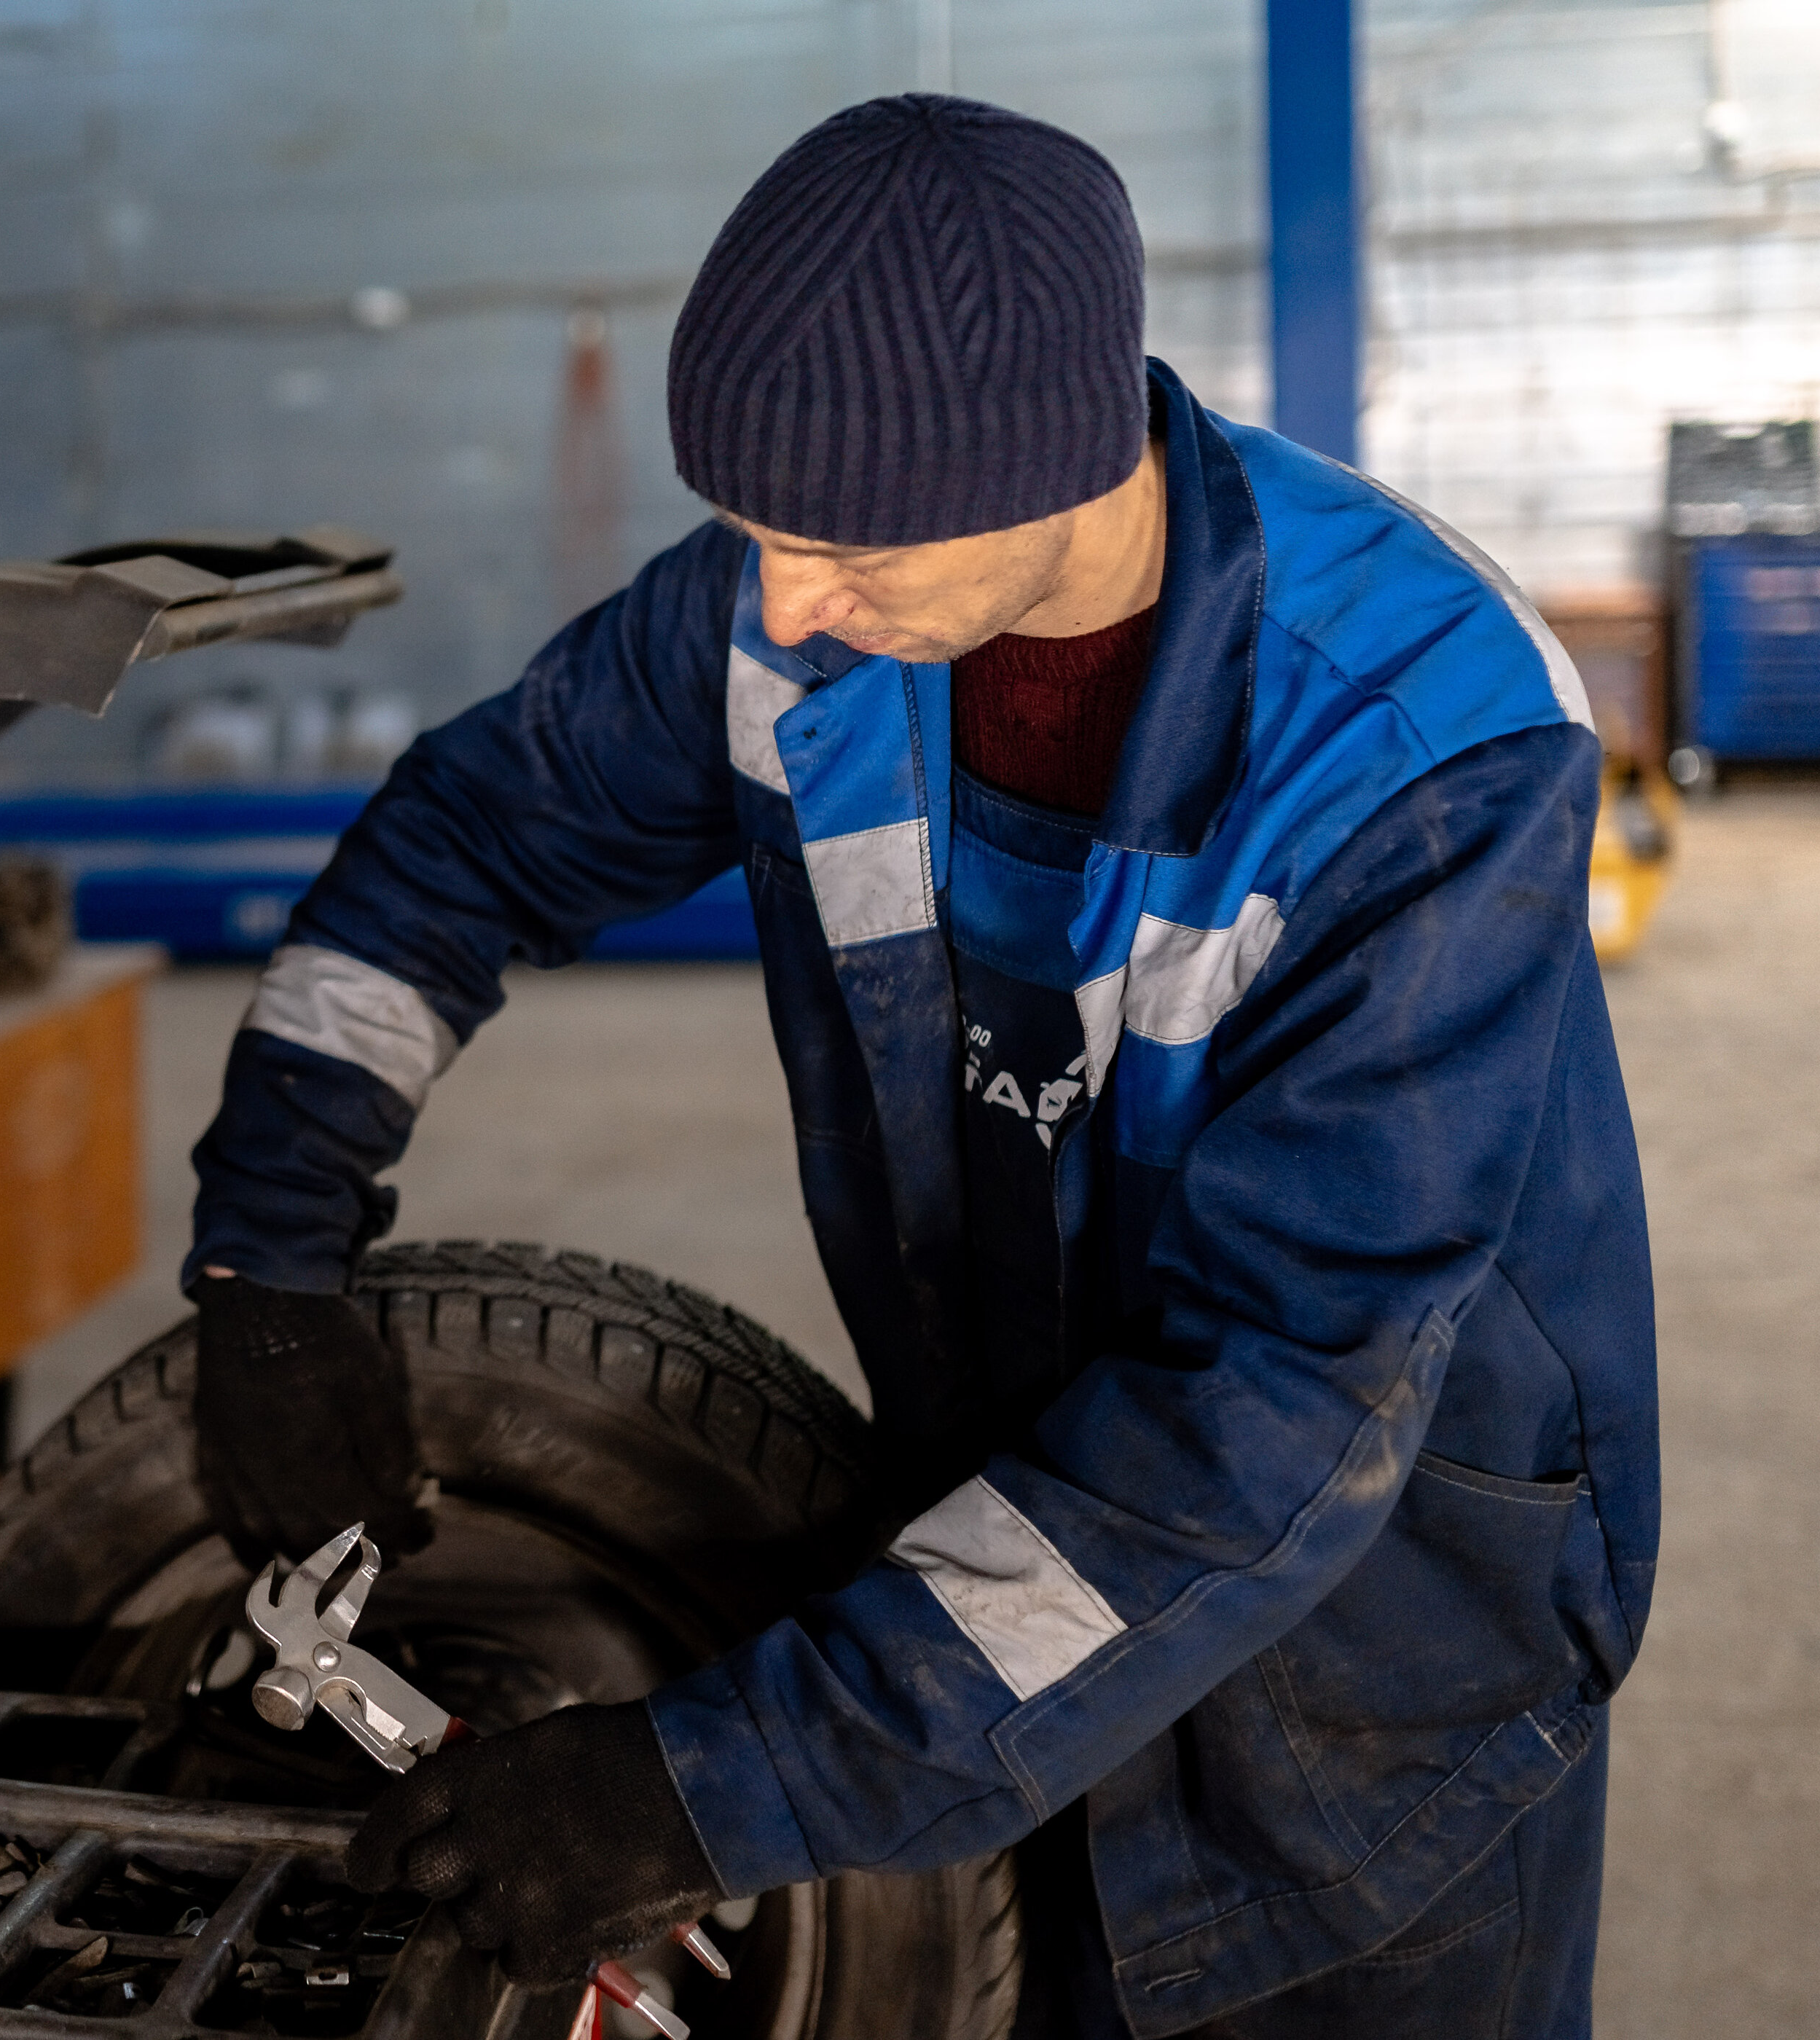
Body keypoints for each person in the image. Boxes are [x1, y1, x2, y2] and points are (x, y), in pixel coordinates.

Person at [181, 95, 1655, 2039]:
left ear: (1050, 463)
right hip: (971, 1589)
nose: (787, 608)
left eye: (840, 542)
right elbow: (461, 848)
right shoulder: (792, 613)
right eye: (754, 530)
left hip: (1368, 1716)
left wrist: (707, 1782)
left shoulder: (1423, 756)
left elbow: (1274, 1411)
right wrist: (268, 1270)